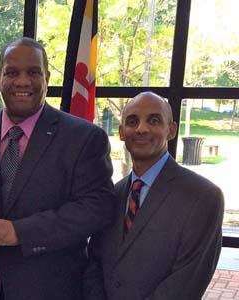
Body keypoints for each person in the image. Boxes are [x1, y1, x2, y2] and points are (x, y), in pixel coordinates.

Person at [0, 37, 115, 300]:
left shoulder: (84, 138)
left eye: (33, 72)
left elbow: (97, 207)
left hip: (54, 289)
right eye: (12, 73)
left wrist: (20, 232)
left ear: (47, 77)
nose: (23, 82)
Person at [84, 92, 224, 300]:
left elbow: (186, 283)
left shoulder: (203, 197)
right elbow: (93, 263)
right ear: (122, 132)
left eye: (154, 120)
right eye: (132, 121)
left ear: (171, 130)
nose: (141, 128)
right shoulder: (112, 194)